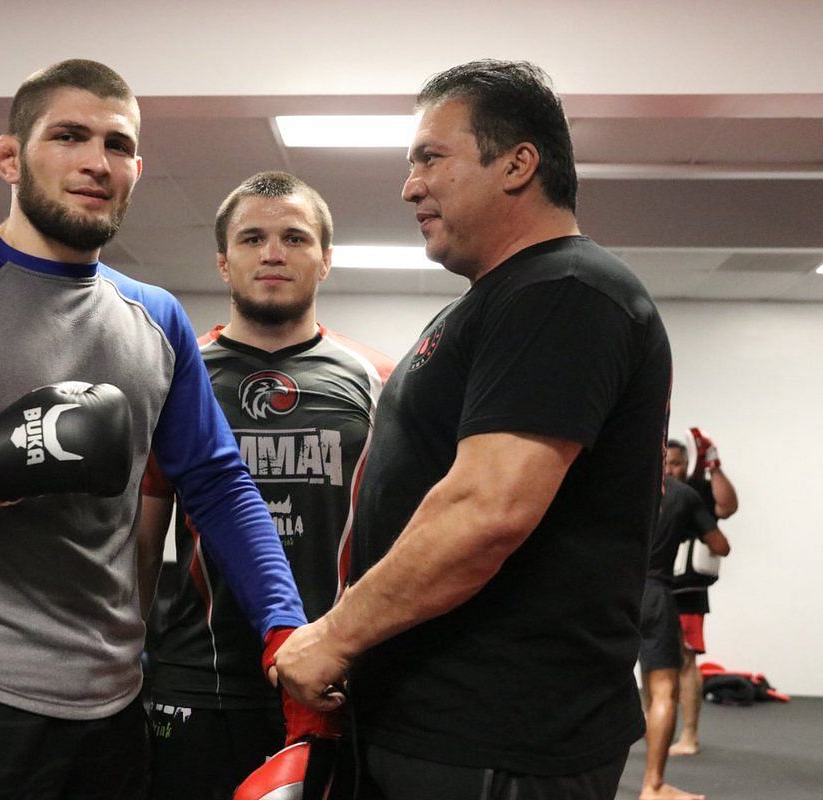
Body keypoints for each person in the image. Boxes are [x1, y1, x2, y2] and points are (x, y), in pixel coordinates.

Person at [0, 60, 306, 800]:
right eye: (69, 135)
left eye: (117, 144)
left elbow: (217, 482)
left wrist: (283, 624)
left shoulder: (157, 318)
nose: (96, 162)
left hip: (111, 700)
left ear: (137, 167)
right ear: (10, 156)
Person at [270, 60, 672, 800]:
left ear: (518, 163)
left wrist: (335, 636)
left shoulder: (566, 291)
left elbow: (485, 512)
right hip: (433, 720)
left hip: (499, 738)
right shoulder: (499, 300)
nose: (409, 184)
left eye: (431, 157)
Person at [137, 171, 395, 800]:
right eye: (252, 238)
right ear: (224, 262)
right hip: (201, 677)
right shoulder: (176, 374)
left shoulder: (380, 380)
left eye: (294, 238)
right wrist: (127, 658)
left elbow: (399, 534)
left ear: (326, 261)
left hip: (340, 676)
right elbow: (142, 539)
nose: (273, 253)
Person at [637, 460, 728, 800]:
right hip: (656, 594)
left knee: (599, 682)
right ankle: (653, 786)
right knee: (663, 691)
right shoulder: (682, 495)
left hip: (613, 594)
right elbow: (721, 546)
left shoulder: (617, 483)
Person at [665, 435, 736, 757]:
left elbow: (728, 506)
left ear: (687, 464)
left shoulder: (697, 493)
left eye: (676, 463)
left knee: (685, 659)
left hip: (688, 588)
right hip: (651, 587)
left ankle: (689, 735)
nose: (670, 469)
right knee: (649, 660)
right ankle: (656, 729)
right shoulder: (648, 493)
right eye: (665, 463)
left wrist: (715, 467)